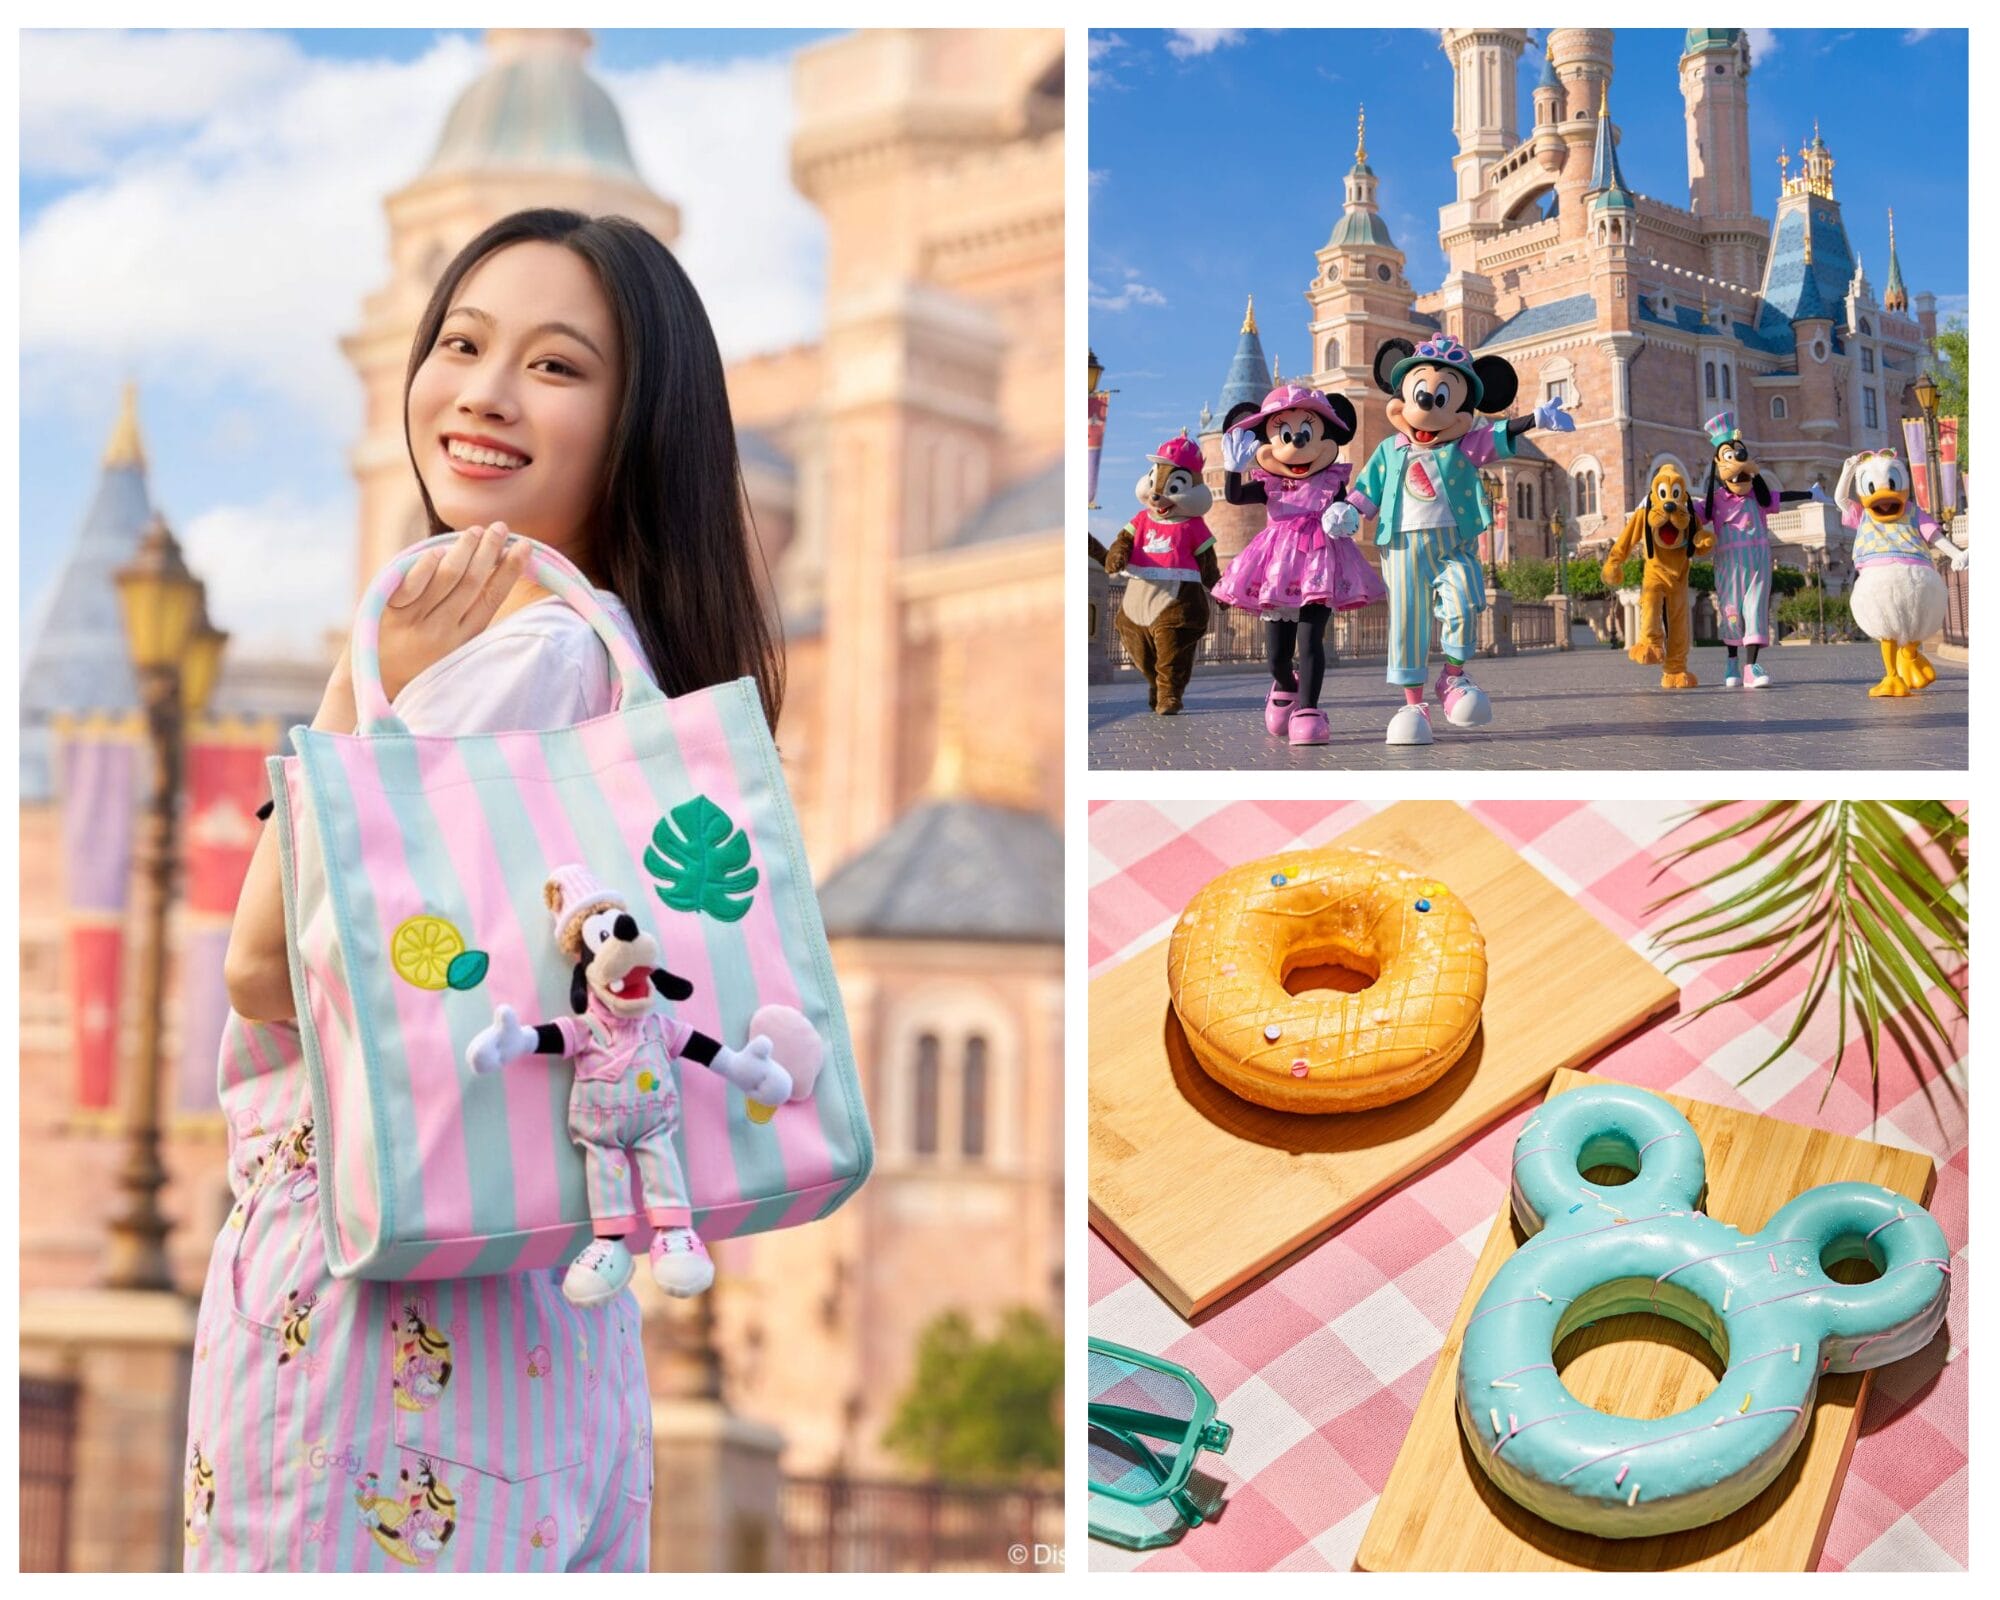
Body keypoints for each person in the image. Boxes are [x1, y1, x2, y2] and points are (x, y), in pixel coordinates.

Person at [184, 208, 782, 1573]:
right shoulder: (613, 648)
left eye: (556, 366)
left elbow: (270, 971)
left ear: (640, 421)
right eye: (461, 342)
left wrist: (352, 686)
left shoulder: (510, 665)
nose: (483, 392)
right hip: (545, 1331)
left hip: (380, 1330)